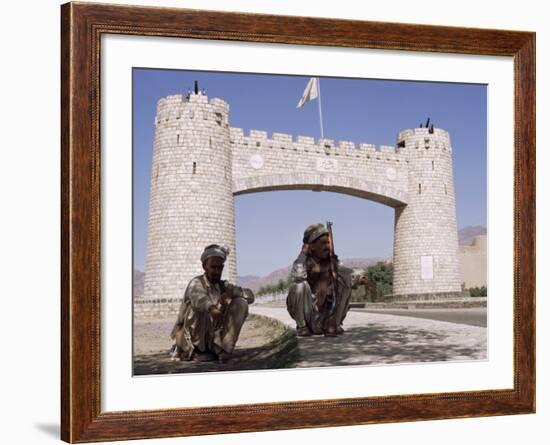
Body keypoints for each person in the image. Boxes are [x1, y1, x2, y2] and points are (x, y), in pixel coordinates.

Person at [170, 244, 254, 362]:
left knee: (241, 303)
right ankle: (196, 351)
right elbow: (199, 299)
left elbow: (250, 295)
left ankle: (223, 351)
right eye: (213, 267)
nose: (216, 271)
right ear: (205, 266)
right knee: (196, 309)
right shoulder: (196, 283)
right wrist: (212, 309)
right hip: (195, 337)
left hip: (215, 336)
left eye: (219, 268)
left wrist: (230, 295)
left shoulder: (223, 286)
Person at [286, 223, 362, 337]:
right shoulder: (304, 262)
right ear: (311, 246)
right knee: (299, 286)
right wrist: (303, 254)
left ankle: (335, 323)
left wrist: (361, 277)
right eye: (323, 243)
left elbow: (352, 273)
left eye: (328, 243)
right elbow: (298, 275)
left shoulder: (332, 263)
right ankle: (302, 327)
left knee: (344, 280)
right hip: (309, 314)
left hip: (326, 316)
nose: (327, 246)